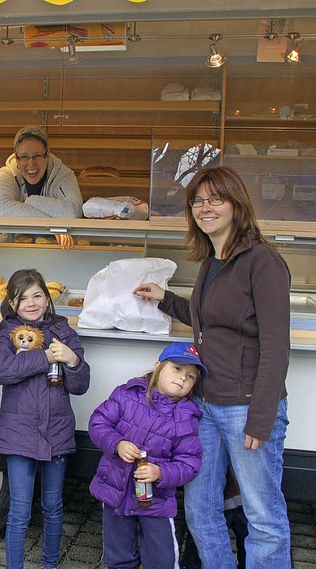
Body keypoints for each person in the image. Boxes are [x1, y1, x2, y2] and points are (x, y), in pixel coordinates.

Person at [134, 166, 292, 568]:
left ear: (236, 203)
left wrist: (261, 417)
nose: (205, 208)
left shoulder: (263, 261)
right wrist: (165, 298)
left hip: (246, 408)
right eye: (198, 201)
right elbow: (209, 319)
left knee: (263, 518)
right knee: (200, 513)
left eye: (214, 199)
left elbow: (276, 346)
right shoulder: (212, 261)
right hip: (204, 406)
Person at [0, 268, 90, 569]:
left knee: (53, 506)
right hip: (19, 434)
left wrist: (72, 360)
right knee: (19, 510)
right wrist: (45, 357)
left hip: (56, 431)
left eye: (37, 295)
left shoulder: (65, 331)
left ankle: (50, 564)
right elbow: (0, 371)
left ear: (47, 298)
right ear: (12, 304)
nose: (31, 303)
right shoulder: (7, 334)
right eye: (22, 298)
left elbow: (81, 386)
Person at [88, 342, 204, 569]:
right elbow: (98, 422)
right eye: (177, 369)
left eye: (190, 377)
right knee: (118, 556)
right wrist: (117, 443)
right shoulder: (127, 394)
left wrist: (161, 472)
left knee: (162, 560)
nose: (182, 379)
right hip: (116, 493)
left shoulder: (186, 418)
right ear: (158, 367)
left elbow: (190, 463)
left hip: (156, 502)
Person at [0, 126, 83, 248]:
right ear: (16, 158)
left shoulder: (64, 175)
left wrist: (31, 201)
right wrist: (52, 225)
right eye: (24, 157)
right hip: (12, 249)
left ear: (47, 156)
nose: (31, 164)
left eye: (38, 156)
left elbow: (73, 212)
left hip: (57, 251)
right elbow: (3, 209)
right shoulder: (6, 174)